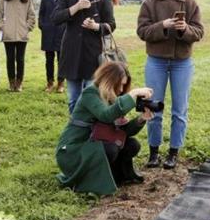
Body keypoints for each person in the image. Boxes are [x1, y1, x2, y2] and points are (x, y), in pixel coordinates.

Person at [136, 0, 204, 169]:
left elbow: (199, 33)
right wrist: (162, 26)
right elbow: (142, 32)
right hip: (156, 61)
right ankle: (154, 152)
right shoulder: (150, 3)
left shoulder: (190, 4)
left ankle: (173, 153)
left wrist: (185, 29)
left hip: (181, 63)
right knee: (153, 105)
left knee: (179, 109)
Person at [55, 61, 152, 195]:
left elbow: (123, 131)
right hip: (73, 151)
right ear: (111, 81)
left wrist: (142, 118)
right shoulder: (90, 93)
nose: (122, 89)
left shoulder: (111, 97)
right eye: (121, 84)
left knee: (131, 145)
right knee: (110, 148)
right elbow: (106, 116)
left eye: (125, 86)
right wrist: (132, 94)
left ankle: (116, 176)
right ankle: (93, 180)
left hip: (93, 142)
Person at [53, 0, 116, 113]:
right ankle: (76, 134)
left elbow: (111, 25)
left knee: (90, 98)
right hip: (71, 54)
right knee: (74, 99)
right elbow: (55, 18)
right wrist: (76, 7)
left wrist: (96, 27)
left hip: (93, 55)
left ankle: (90, 133)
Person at [0, 0, 36, 91]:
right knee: (10, 59)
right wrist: (3, 27)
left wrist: (27, 28)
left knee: (20, 59)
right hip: (8, 35)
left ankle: (19, 83)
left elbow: (32, 16)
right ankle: (11, 82)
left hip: (22, 35)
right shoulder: (4, 0)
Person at [39, 0, 67, 93]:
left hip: (62, 33)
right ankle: (49, 83)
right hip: (48, 33)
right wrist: (43, 26)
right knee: (48, 60)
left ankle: (60, 83)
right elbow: (41, 14)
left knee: (61, 59)